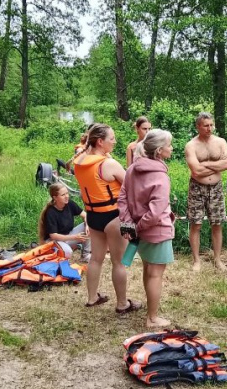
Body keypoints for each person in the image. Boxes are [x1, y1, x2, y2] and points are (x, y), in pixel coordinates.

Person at [73, 123, 139, 313]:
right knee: (118, 262)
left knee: (96, 258)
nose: (115, 141)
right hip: (113, 216)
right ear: (100, 141)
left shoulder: (79, 160)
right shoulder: (108, 164)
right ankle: (122, 304)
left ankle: (92, 298)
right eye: (112, 138)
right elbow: (130, 183)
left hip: (93, 216)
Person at [118, 129, 175, 328]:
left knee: (148, 268)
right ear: (159, 151)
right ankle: (152, 317)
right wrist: (139, 226)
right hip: (157, 231)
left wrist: (130, 225)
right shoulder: (160, 177)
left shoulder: (132, 169)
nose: (172, 148)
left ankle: (151, 311)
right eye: (169, 145)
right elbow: (156, 211)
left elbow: (122, 197)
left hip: (138, 231)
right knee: (155, 273)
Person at [184, 112, 227, 272]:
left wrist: (206, 165)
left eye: (211, 125)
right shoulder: (191, 145)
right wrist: (217, 164)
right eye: (206, 125)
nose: (209, 128)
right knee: (196, 224)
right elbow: (195, 170)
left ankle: (217, 259)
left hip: (216, 187)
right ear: (198, 126)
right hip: (197, 187)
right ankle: (196, 260)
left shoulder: (220, 142)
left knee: (217, 223)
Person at [38, 183, 91, 261]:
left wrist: (87, 225)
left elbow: (85, 215)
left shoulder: (70, 204)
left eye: (67, 193)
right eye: (63, 195)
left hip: (68, 236)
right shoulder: (50, 212)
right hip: (54, 241)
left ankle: (85, 256)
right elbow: (53, 236)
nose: (67, 196)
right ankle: (61, 253)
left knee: (91, 225)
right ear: (55, 197)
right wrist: (74, 237)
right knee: (67, 252)